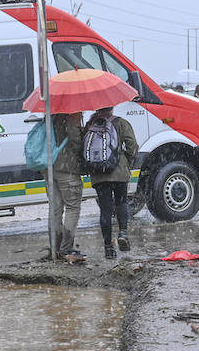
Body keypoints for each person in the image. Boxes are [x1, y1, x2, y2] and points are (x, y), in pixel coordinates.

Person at [86, 106, 139, 259]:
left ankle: (108, 247)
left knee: (105, 210)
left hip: (99, 174)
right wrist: (126, 161)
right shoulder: (121, 123)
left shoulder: (90, 125)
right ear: (112, 107)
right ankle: (123, 233)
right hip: (119, 171)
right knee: (121, 203)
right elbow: (132, 146)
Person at [48, 112, 85, 262]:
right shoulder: (72, 113)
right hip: (66, 166)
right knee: (73, 207)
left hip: (49, 167)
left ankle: (55, 247)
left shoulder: (50, 112)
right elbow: (75, 140)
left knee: (55, 208)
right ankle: (66, 249)